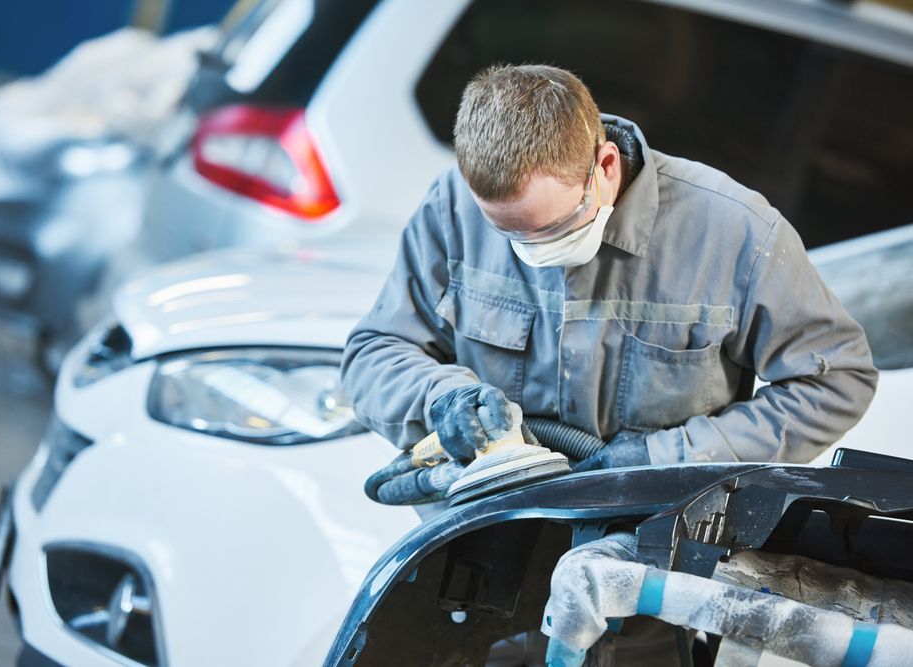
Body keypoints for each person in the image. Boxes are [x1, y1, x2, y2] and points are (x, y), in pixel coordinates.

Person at [340, 63, 877, 477]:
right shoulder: (451, 208)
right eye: (508, 233)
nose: (532, 250)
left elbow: (835, 381)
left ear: (604, 167)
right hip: (479, 546)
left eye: (550, 228)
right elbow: (374, 354)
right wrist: (442, 399)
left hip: (641, 560)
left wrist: (664, 459)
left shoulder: (735, 234)